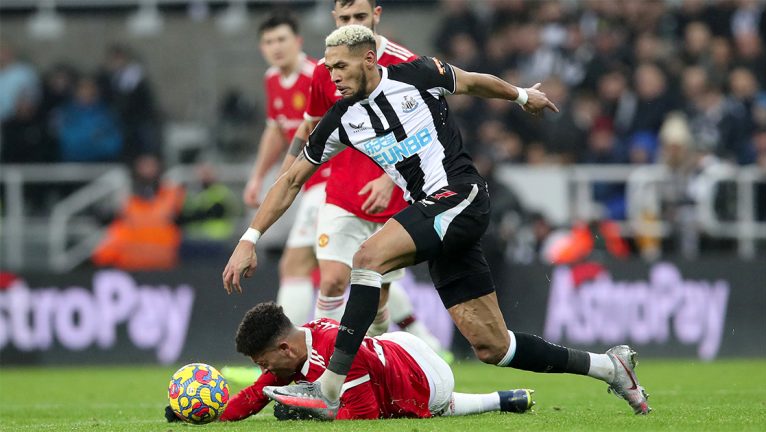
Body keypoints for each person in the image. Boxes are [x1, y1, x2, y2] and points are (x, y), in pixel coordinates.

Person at [222, 25, 651, 419]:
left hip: (460, 194)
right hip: (436, 219)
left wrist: (521, 96)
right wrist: (250, 237)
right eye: (329, 67)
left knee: (367, 256)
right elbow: (292, 178)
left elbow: (472, 81)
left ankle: (330, 386)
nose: (332, 75)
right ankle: (609, 368)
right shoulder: (340, 119)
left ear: (369, 59)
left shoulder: (415, 73)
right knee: (492, 346)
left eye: (341, 65)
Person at [282, 0, 443, 347]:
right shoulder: (327, 70)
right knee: (332, 282)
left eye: (360, 16)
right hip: (340, 192)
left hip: (393, 197)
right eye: (345, 18)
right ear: (334, 19)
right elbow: (310, 125)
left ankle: (386, 338)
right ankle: (318, 361)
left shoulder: (404, 63)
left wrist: (389, 178)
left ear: (377, 15)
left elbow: (428, 129)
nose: (352, 22)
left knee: (377, 309)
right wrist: (286, 174)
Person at [166, 302, 534, 422]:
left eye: (264, 363)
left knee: (426, 405)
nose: (265, 373)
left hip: (429, 374)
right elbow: (257, 394)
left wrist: (308, 412)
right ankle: (505, 399)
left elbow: (364, 417)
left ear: (284, 348)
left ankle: (496, 399)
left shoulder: (336, 354)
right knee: (324, 395)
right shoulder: (297, 348)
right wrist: (204, 414)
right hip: (396, 347)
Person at [241, 13, 328, 324]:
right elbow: (277, 131)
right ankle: (421, 335)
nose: (275, 47)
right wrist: (258, 177)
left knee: (294, 265)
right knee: (360, 266)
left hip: (331, 184)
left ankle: (283, 345)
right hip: (311, 185)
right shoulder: (272, 79)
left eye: (281, 39)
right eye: (268, 41)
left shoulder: (318, 74)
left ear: (298, 41)